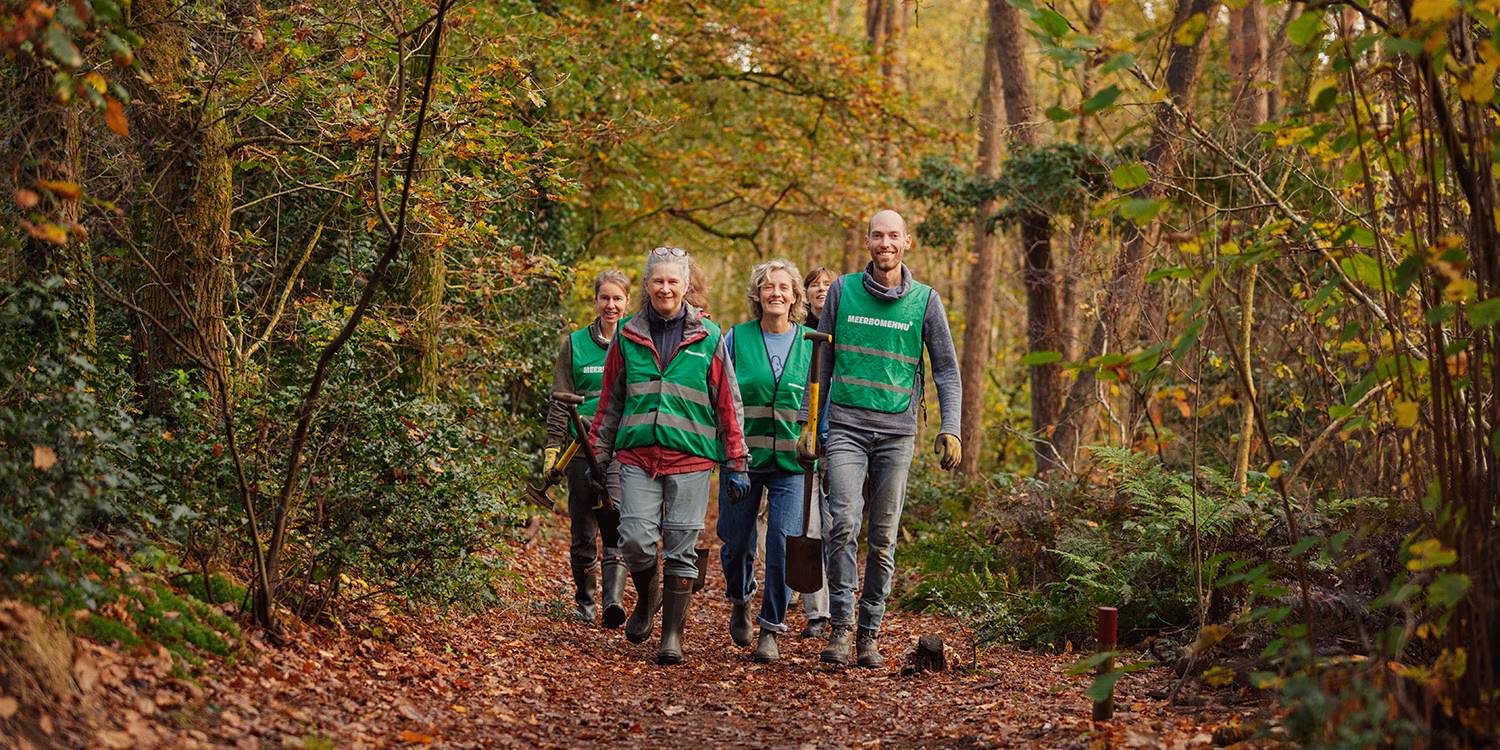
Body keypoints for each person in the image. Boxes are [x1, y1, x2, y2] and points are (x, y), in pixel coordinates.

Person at [797, 210, 962, 668]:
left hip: (897, 433)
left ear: (907, 242)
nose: (885, 243)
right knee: (843, 524)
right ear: (867, 241)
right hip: (846, 426)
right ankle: (843, 628)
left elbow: (946, 369)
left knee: (883, 538)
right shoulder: (843, 291)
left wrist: (952, 427)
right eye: (877, 235)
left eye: (894, 235)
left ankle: (870, 633)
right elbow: (822, 363)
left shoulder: (926, 301)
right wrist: (812, 426)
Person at [591, 246, 751, 665]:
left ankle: (673, 637)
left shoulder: (709, 336)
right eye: (658, 281)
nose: (665, 288)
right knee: (636, 541)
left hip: (692, 459)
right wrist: (599, 453)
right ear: (646, 285)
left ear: (685, 285)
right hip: (637, 456)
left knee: (681, 546)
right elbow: (609, 401)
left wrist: (737, 461)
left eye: (673, 281)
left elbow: (727, 402)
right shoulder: (626, 334)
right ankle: (648, 597)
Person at [717, 259, 814, 663]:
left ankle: (771, 627)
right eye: (768, 287)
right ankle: (740, 599)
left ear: (795, 296)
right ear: (757, 294)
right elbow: (720, 397)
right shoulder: (735, 340)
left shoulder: (814, 342)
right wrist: (729, 453)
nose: (776, 293)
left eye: (784, 287)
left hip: (792, 464)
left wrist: (818, 437)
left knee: (782, 545)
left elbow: (823, 399)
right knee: (737, 543)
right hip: (743, 459)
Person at [544, 270, 631, 627]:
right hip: (579, 451)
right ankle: (585, 602)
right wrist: (552, 449)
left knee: (616, 523)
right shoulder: (575, 344)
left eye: (617, 299)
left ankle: (613, 602)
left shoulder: (634, 342)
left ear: (627, 302)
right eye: (604, 298)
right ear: (596, 300)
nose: (610, 305)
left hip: (621, 452)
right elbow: (558, 402)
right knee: (583, 532)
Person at [797, 266, 837, 640]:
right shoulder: (796, 335)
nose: (821, 289)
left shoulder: (848, 331)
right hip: (806, 441)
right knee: (807, 526)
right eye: (814, 285)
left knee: (837, 527)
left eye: (828, 284)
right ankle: (817, 614)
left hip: (842, 439)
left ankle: (841, 608)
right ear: (805, 293)